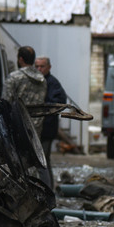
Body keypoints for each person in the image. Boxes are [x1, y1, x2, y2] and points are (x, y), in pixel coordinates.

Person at [35, 56, 68, 185]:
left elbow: (60, 102)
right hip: (40, 128)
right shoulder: (37, 81)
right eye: (36, 66)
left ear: (48, 67)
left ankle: (47, 190)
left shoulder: (52, 83)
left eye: (42, 66)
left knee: (42, 161)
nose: (39, 69)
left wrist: (45, 106)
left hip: (47, 129)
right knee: (44, 161)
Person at [4, 45, 47, 135]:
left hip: (18, 126)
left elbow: (5, 102)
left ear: (20, 59)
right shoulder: (42, 79)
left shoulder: (14, 77)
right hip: (36, 127)